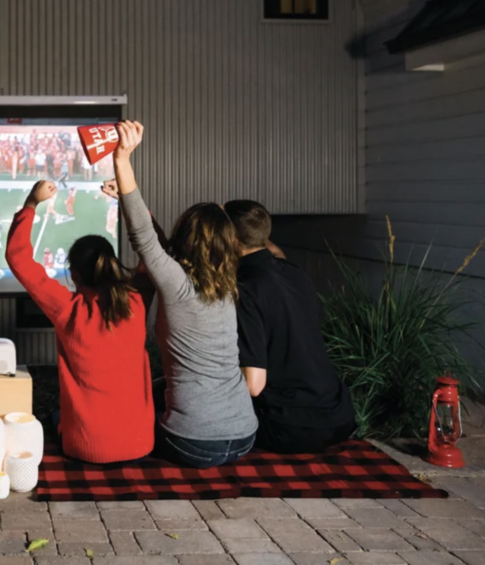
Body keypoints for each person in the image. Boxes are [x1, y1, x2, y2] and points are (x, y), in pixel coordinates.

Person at [113, 121, 257, 468]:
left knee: (122, 426)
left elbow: (146, 241)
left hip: (192, 442)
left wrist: (122, 160)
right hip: (245, 437)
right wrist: (125, 195)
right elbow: (159, 249)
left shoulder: (177, 283)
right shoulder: (226, 283)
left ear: (186, 236)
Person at [6, 181, 154, 464]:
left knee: (53, 417)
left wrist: (30, 203)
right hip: (140, 445)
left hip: (84, 448)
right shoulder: (136, 302)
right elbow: (153, 249)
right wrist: (130, 204)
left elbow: (18, 258)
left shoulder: (68, 308)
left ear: (73, 273)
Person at [224, 200, 356, 453]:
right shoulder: (294, 272)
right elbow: (268, 250)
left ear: (230, 239)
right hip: (338, 416)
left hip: (289, 427)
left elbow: (253, 385)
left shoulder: (246, 290)